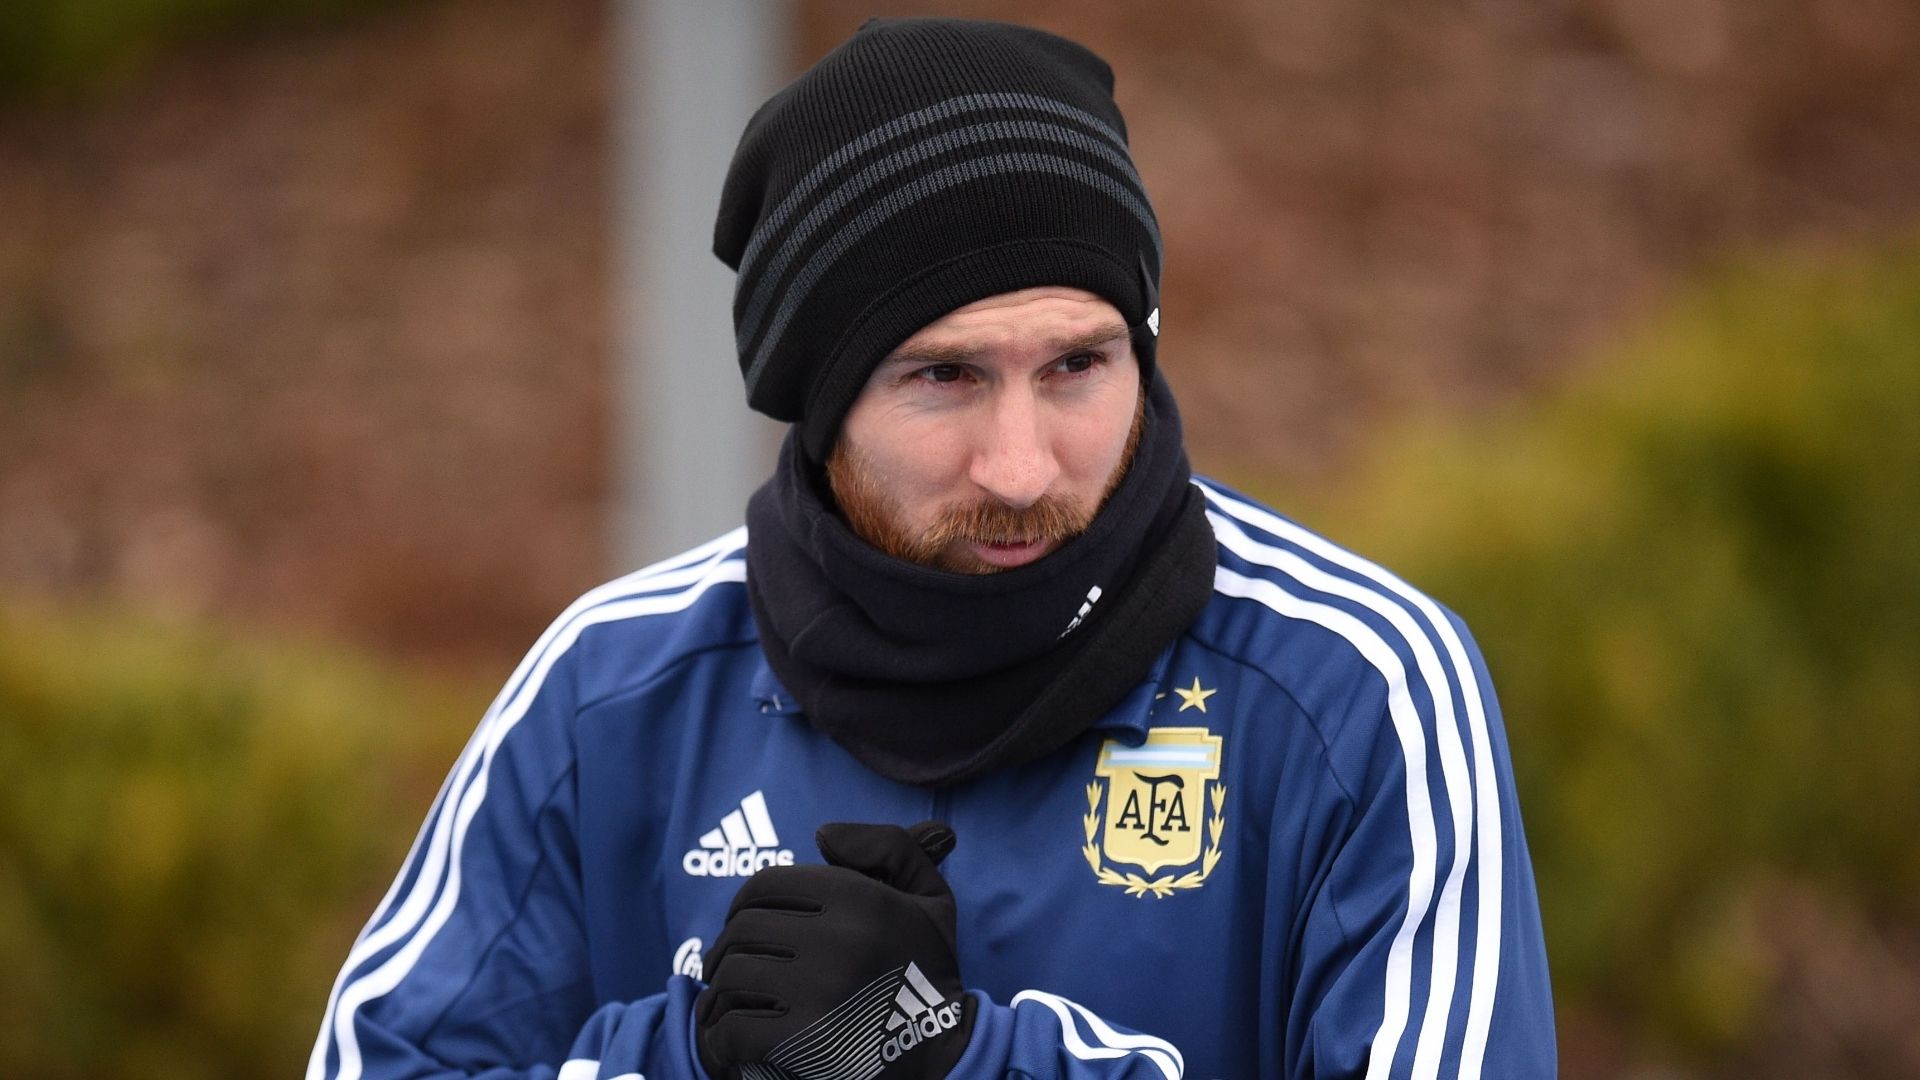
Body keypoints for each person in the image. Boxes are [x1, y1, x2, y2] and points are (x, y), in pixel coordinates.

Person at [308, 17, 1555, 1080]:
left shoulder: (1357, 691)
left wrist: (951, 1055)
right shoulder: (613, 691)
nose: (1020, 467)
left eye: (1077, 365)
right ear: (820, 398)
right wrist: (709, 1050)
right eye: (944, 376)